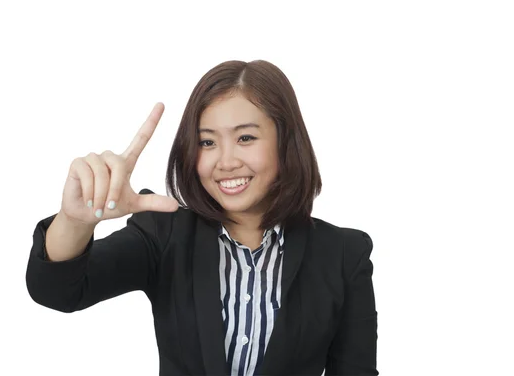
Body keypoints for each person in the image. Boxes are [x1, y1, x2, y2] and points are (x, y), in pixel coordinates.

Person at [25, 60, 379, 376]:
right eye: (207, 143)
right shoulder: (164, 234)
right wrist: (76, 219)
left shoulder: (343, 254)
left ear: (286, 142)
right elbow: (58, 292)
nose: (225, 162)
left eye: (245, 137)